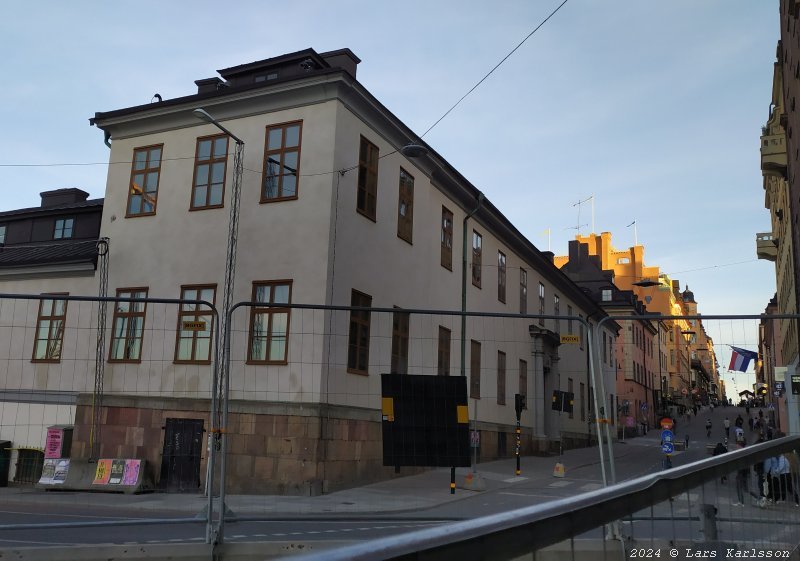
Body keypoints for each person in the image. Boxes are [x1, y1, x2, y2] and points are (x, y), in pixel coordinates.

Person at [733, 442, 749, 506]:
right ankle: (741, 501)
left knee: (739, 488)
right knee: (742, 488)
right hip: (742, 473)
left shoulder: (742, 453)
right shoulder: (744, 452)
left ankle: (741, 502)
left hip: (741, 473)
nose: (736, 447)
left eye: (737, 446)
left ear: (740, 446)